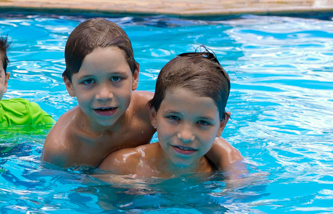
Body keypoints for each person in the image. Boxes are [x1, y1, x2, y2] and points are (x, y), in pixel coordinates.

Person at [42, 18, 243, 171]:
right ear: (69, 84)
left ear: (135, 76)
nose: (104, 94)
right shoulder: (61, 148)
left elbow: (203, 129)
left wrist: (235, 177)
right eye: (88, 81)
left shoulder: (150, 109)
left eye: (116, 79)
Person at [99, 51, 238, 178]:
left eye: (203, 122)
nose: (185, 136)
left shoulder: (222, 175)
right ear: (153, 115)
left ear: (221, 125)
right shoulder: (121, 168)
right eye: (174, 118)